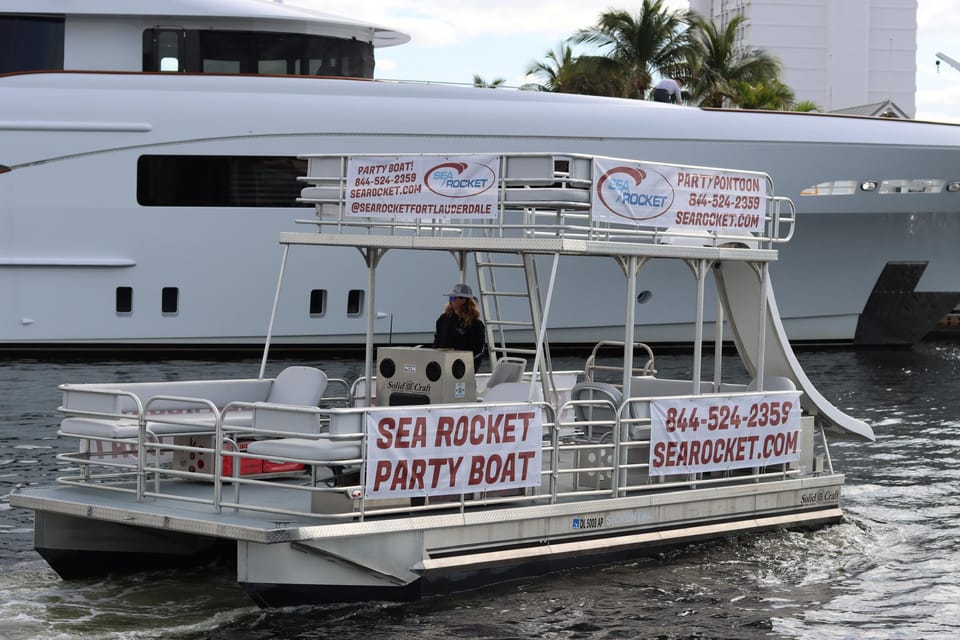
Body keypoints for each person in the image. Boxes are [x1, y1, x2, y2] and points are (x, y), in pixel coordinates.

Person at [433, 282, 486, 372]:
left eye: (453, 298)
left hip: (464, 367)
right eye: (450, 297)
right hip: (443, 364)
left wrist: (460, 361)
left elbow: (478, 350)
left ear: (463, 300)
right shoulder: (443, 319)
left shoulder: (475, 324)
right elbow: (437, 340)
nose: (450, 300)